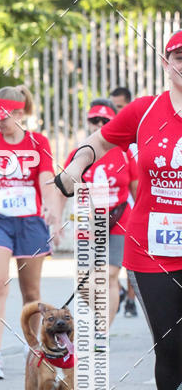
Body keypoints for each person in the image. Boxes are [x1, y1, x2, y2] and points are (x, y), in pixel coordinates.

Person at [55, 29, 182, 390]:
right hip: (153, 248)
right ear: (167, 61)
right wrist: (75, 166)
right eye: (179, 56)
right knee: (170, 346)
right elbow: (101, 141)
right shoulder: (145, 111)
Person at [0, 85, 62, 379]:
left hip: (31, 224)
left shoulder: (38, 142)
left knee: (31, 292)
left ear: (19, 114)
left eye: (4, 116)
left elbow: (47, 181)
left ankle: (32, 345)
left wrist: (53, 216)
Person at [63, 99, 138, 326]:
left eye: (105, 120)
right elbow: (64, 185)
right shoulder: (79, 153)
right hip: (88, 221)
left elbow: (137, 189)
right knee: (84, 281)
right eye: (94, 120)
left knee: (109, 275)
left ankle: (103, 329)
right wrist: (55, 219)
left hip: (120, 218)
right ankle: (104, 311)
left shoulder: (125, 154)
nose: (99, 124)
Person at [110, 86, 138, 316]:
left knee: (132, 254)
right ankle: (117, 290)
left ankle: (131, 297)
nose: (115, 111)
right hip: (117, 202)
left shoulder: (140, 130)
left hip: (136, 198)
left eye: (119, 107)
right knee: (111, 261)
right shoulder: (113, 134)